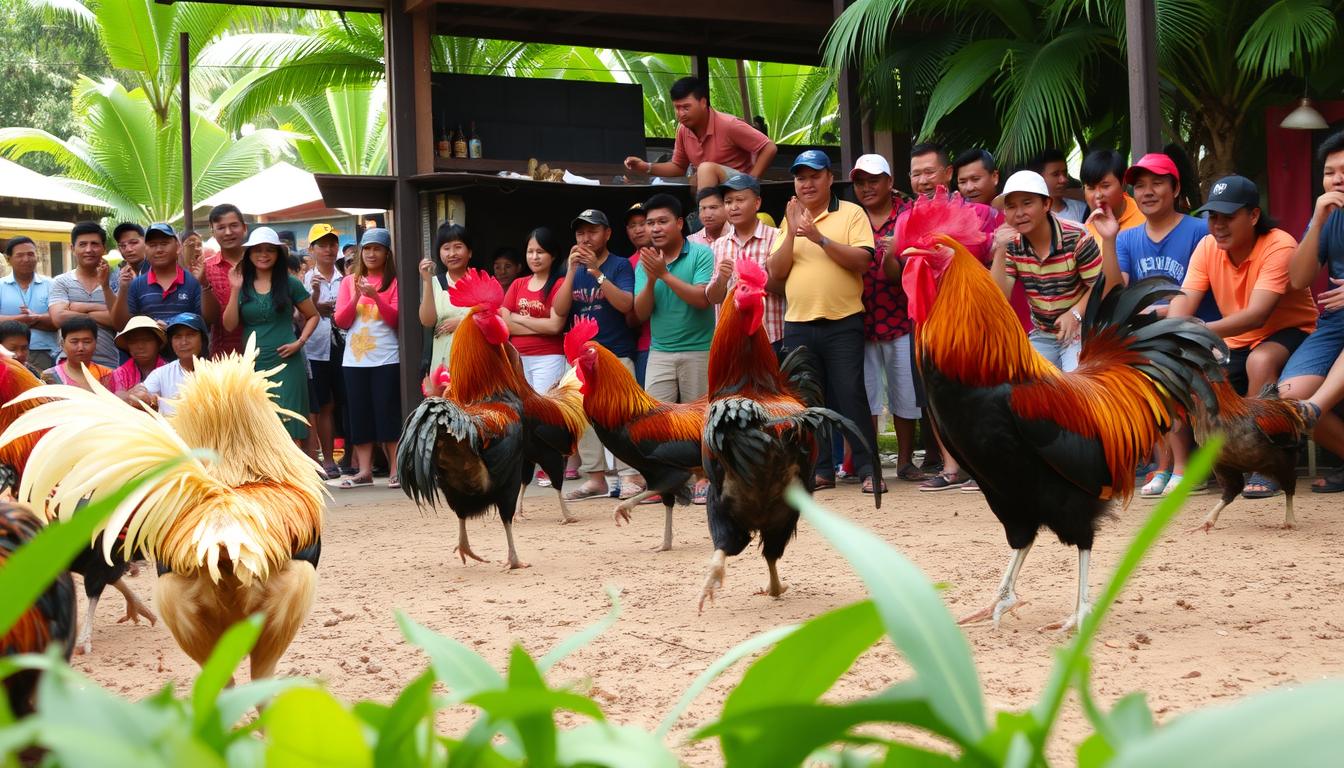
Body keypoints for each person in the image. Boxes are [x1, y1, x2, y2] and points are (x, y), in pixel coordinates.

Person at [1097, 152, 1218, 496]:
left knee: (1164, 363)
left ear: (1176, 188)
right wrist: (1108, 238)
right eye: (1139, 186)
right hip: (1152, 331)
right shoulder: (1127, 238)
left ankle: (1184, 467)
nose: (1147, 192)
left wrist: (1154, 314)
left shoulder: (1199, 231)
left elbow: (1196, 294)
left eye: (1157, 183)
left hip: (1198, 330)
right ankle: (1163, 465)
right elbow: (1115, 293)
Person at [767, 150, 883, 495]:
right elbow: (776, 273)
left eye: (814, 176)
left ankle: (867, 468)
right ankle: (819, 470)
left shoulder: (851, 213)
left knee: (850, 395)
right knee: (806, 402)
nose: (807, 183)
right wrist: (791, 231)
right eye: (801, 178)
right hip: (798, 323)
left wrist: (818, 237)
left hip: (843, 319)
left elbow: (863, 261)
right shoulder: (788, 218)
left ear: (830, 178)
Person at [1170, 175, 1317, 396]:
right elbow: (1184, 301)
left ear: (1254, 215)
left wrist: (1196, 331)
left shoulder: (1279, 246)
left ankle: (1256, 431)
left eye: (1228, 216)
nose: (1218, 225)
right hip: (1238, 339)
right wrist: (1171, 331)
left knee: (1260, 361)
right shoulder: (1207, 246)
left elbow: (1257, 315)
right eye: (1213, 216)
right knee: (1196, 377)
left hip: (1292, 331)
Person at [846, 155, 921, 483]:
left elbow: (910, 268)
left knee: (906, 394)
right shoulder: (850, 218)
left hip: (902, 319)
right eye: (860, 182)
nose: (866, 188)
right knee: (866, 397)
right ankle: (868, 464)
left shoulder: (908, 216)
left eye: (873, 180)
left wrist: (895, 252)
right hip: (859, 322)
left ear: (890, 182)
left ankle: (905, 462)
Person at [1280, 131, 1344, 494]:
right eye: (1329, 171)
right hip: (1335, 324)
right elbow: (1298, 278)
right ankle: (1310, 409)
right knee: (1289, 397)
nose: (1337, 179)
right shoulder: (1328, 215)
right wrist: (1318, 222)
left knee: (1308, 406)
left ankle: (1315, 407)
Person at [990, 170, 1102, 373]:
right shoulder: (1011, 244)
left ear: (1046, 204)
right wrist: (999, 250)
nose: (1019, 213)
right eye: (1011, 206)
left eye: (1027, 203)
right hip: (1042, 333)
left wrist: (1075, 314)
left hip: (1080, 330)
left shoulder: (1076, 236)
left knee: (1075, 388)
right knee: (1024, 387)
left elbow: (1100, 286)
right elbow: (1000, 296)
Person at [565, 208, 641, 500]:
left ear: (607, 234)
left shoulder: (620, 265)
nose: (586, 238)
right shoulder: (570, 267)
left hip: (616, 353)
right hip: (581, 356)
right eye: (581, 232)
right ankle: (595, 478)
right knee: (585, 419)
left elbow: (626, 304)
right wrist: (572, 270)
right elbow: (559, 310)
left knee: (622, 416)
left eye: (592, 231)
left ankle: (629, 475)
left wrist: (596, 271)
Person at [222, 226, 320, 445]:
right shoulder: (242, 285)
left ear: (278, 254)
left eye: (270, 250)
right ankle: (270, 479)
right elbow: (229, 325)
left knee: (291, 423)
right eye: (257, 250)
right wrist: (235, 289)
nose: (263, 255)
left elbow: (313, 316)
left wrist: (300, 342)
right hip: (254, 364)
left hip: (288, 362)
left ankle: (294, 478)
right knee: (261, 427)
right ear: (249, 254)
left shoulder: (290, 283)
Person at [622, 76, 777, 190]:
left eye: (686, 107)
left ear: (703, 103)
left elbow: (769, 147)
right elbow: (678, 167)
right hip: (710, 192)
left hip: (736, 189)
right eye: (677, 107)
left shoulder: (729, 125)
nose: (680, 113)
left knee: (704, 170)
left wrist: (751, 182)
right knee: (694, 179)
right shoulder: (683, 129)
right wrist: (645, 167)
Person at [334, 228, 401, 488]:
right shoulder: (349, 281)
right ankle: (364, 471)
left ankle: (395, 469)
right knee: (359, 414)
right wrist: (357, 297)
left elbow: (396, 319)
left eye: (378, 249)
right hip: (354, 359)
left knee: (388, 413)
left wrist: (375, 297)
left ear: (387, 253)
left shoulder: (394, 281)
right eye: (368, 248)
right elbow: (341, 320)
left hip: (387, 356)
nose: (372, 254)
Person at [706, 173, 784, 350]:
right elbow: (713, 298)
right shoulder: (718, 245)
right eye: (728, 202)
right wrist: (721, 280)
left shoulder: (777, 237)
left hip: (771, 338)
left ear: (757, 203)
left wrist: (758, 278)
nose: (733, 207)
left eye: (740, 200)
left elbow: (789, 289)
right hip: (731, 342)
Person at [503, 227, 574, 392]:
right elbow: (506, 326)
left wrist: (520, 318)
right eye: (530, 252)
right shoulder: (518, 284)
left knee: (544, 411)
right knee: (521, 411)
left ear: (553, 255)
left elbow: (555, 327)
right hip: (516, 358)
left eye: (540, 252)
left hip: (549, 358)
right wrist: (543, 325)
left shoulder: (560, 284)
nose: (534, 257)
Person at [302, 222, 345, 479]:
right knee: (317, 406)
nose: (328, 249)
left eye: (332, 244)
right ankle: (320, 460)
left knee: (336, 405)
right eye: (322, 245)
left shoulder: (348, 278)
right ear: (312, 249)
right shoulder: (305, 280)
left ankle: (335, 458)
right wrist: (317, 303)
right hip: (314, 349)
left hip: (345, 348)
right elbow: (299, 315)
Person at [48, 221, 119, 368]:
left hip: (109, 363)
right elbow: (59, 318)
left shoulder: (117, 281)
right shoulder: (61, 282)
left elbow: (119, 321)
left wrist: (79, 307)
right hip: (68, 365)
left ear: (103, 249)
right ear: (73, 248)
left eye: (94, 244)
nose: (89, 249)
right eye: (82, 244)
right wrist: (102, 311)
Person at [108, 222, 203, 328]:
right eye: (153, 245)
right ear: (146, 248)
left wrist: (172, 328)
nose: (159, 249)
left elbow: (206, 320)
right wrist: (123, 289)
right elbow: (120, 324)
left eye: (164, 243)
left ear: (178, 247)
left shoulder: (192, 281)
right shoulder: (135, 284)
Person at [417, 223, 472, 389]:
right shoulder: (434, 283)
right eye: (446, 248)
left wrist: (463, 322)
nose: (452, 253)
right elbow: (427, 321)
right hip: (443, 364)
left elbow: (495, 319)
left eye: (458, 247)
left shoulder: (480, 279)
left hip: (474, 360)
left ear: (470, 252)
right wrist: (426, 281)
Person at [129, 312, 208, 416]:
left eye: (190, 335)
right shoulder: (161, 374)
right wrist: (143, 398)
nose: (183, 342)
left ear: (202, 340)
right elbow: (140, 395)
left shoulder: (220, 374)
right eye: (177, 337)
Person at [195, 203, 248, 358]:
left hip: (265, 352)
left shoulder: (260, 263)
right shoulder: (206, 269)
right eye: (221, 228)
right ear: (212, 231)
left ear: (244, 227)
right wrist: (204, 284)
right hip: (223, 356)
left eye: (234, 226)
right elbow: (208, 319)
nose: (228, 232)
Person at [0, 236, 58, 370]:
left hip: (46, 353)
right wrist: (21, 320)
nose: (26, 259)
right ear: (9, 259)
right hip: (7, 355)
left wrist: (35, 318)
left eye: (30, 254)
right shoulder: (0, 286)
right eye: (20, 255)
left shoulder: (51, 284)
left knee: (42, 389)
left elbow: (57, 321)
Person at [1081, 149, 1145, 244]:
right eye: (1091, 188)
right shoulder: (1084, 233)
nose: (1098, 195)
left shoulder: (1145, 219)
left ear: (1123, 184)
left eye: (1105, 186)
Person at [41, 315, 113, 390]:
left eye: (87, 342)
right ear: (62, 344)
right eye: (74, 342)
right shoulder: (50, 376)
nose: (81, 348)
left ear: (96, 343)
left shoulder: (107, 375)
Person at [625, 203, 653, 386]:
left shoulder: (671, 255)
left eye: (642, 223)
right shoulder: (625, 264)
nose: (637, 230)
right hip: (643, 345)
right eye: (632, 225)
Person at [106, 315, 167, 399]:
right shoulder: (119, 373)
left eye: (147, 339)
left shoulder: (170, 371)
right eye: (133, 341)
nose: (140, 346)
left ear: (158, 343)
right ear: (128, 346)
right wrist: (128, 395)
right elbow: (115, 400)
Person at [1032, 148, 1089, 223]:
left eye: (1065, 173)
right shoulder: (1032, 215)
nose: (1063, 179)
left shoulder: (1081, 209)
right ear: (1039, 178)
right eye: (1055, 174)